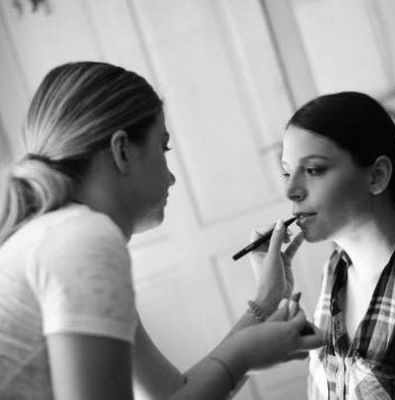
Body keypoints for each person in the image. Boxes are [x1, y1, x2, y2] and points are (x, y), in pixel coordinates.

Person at [0, 61, 323, 400]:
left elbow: (171, 393)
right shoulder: (82, 240)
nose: (171, 178)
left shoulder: (56, 236)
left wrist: (266, 299)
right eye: (163, 147)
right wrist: (242, 356)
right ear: (122, 150)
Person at [256, 91, 395, 399]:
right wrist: (273, 302)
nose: (290, 191)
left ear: (376, 176)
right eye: (286, 172)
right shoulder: (334, 270)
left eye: (313, 170)